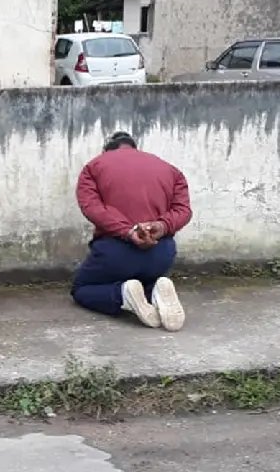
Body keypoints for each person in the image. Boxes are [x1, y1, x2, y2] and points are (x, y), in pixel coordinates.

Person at [71, 131, 192, 331]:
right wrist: (161, 226)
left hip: (115, 252)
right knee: (146, 279)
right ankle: (154, 291)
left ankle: (122, 294)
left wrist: (129, 231)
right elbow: (183, 211)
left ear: (106, 150)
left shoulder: (94, 167)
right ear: (134, 147)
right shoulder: (170, 169)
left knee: (82, 290)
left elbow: (92, 208)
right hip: (161, 251)